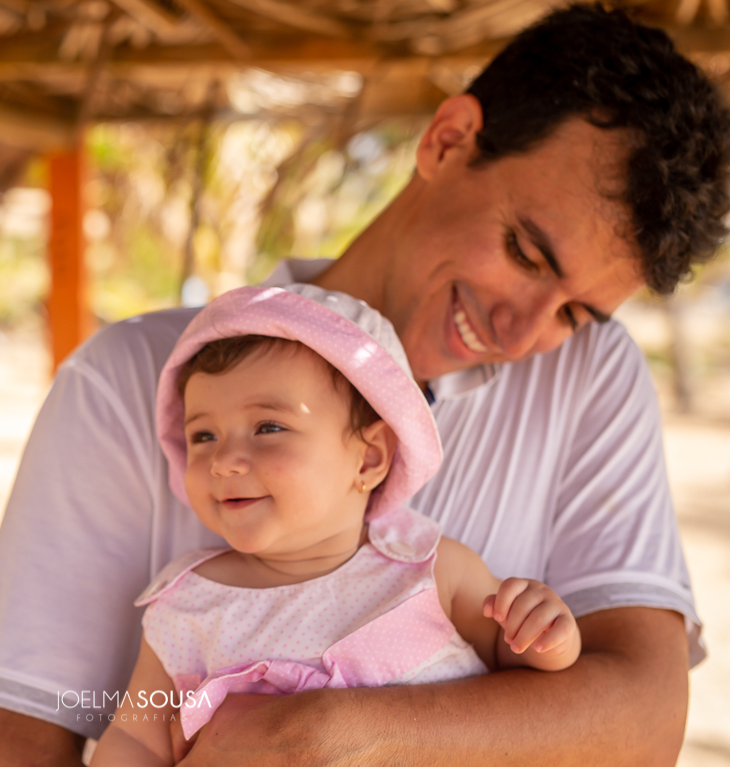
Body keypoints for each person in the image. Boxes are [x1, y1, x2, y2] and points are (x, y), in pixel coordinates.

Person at [0, 4, 730, 765]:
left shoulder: (588, 375)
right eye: (525, 254)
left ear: (375, 457)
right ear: (448, 140)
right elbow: (16, 735)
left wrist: (335, 733)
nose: (521, 334)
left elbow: (644, 722)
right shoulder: (131, 381)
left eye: (576, 312)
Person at [91, 284, 582, 766]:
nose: (224, 460)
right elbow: (137, 737)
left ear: (369, 459)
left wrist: (546, 634)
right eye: (203, 435)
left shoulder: (429, 570)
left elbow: (516, 662)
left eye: (268, 427)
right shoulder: (186, 606)